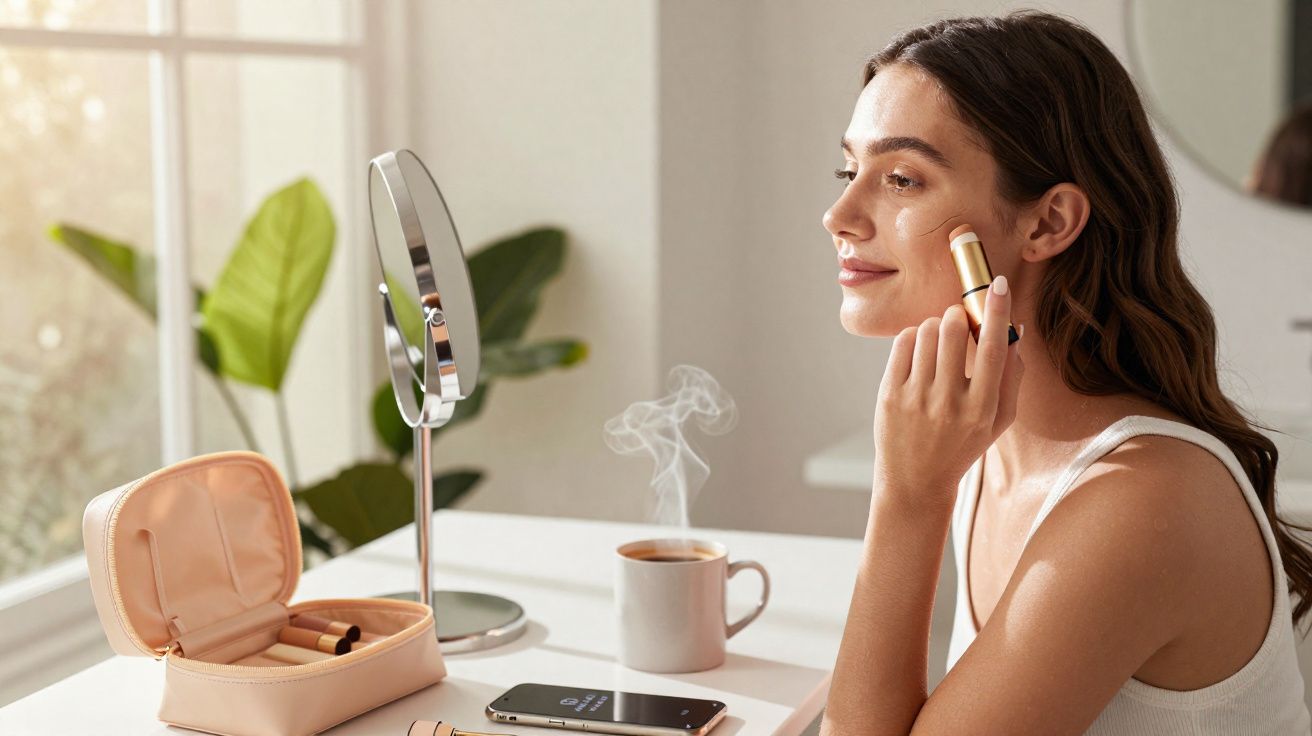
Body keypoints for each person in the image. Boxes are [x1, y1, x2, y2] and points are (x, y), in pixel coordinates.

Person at [820, 10, 1312, 735]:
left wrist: (907, 497)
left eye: (901, 179)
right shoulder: (988, 446)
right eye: (848, 169)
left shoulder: (1142, 501)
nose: (840, 214)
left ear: (1048, 223)